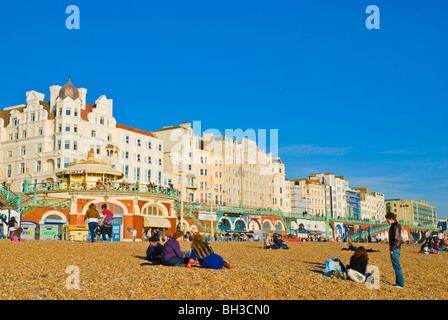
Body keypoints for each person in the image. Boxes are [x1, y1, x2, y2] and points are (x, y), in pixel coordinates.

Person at [386, 212, 404, 289]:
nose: (386, 221)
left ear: (391, 219)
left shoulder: (395, 226)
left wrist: (392, 249)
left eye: (387, 219)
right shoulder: (395, 226)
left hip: (395, 248)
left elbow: (396, 239)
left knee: (396, 266)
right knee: (396, 266)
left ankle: (400, 284)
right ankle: (398, 283)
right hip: (396, 248)